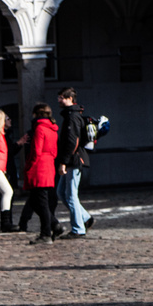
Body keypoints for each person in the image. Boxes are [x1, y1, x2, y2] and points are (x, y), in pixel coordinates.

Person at [55, 88, 93, 238]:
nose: (59, 100)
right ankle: (85, 218)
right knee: (62, 193)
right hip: (72, 160)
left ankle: (78, 229)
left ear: (70, 98)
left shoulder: (72, 117)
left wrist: (63, 162)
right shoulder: (71, 116)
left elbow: (72, 142)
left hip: (74, 160)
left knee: (70, 195)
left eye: (62, 97)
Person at [22, 103, 60, 245]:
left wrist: (28, 166)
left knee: (41, 202)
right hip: (49, 164)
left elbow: (36, 151)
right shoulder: (52, 129)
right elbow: (55, 151)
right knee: (36, 201)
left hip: (39, 167)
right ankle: (55, 225)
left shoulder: (39, 128)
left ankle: (46, 233)